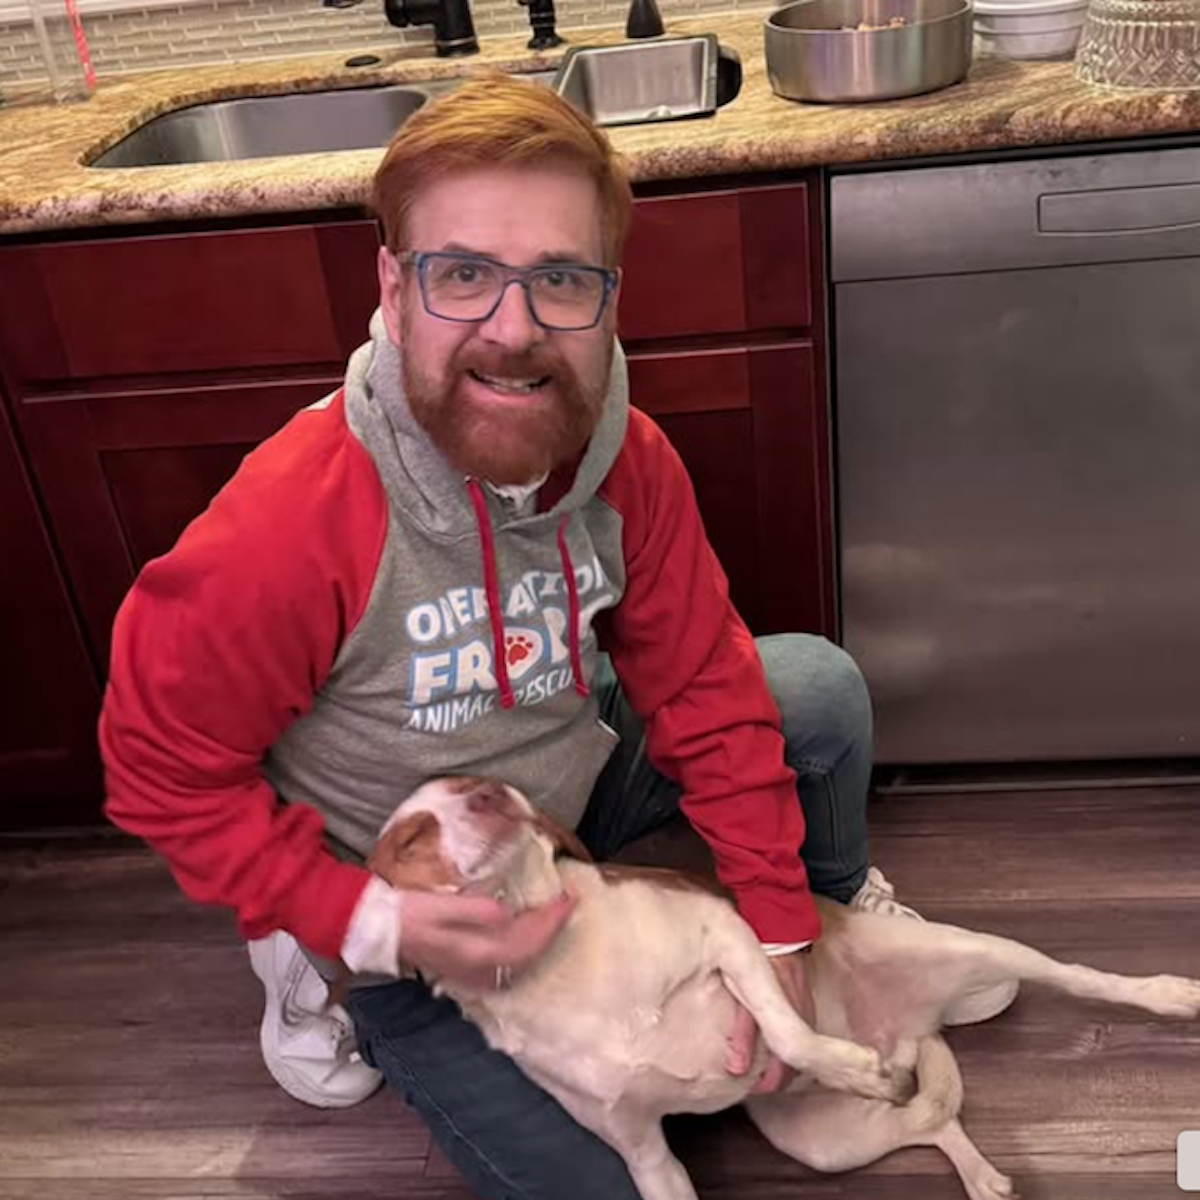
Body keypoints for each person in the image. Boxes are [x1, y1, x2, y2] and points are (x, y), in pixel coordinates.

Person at [99, 76, 1016, 1199]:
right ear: (392, 287)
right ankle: (310, 966)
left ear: (611, 294)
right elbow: (159, 772)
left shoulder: (629, 461)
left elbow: (704, 692)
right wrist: (361, 918)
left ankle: (832, 910)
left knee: (811, 690)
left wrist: (781, 944)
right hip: (405, 899)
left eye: (560, 279)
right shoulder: (285, 523)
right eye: (464, 273)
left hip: (561, 818)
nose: (516, 328)